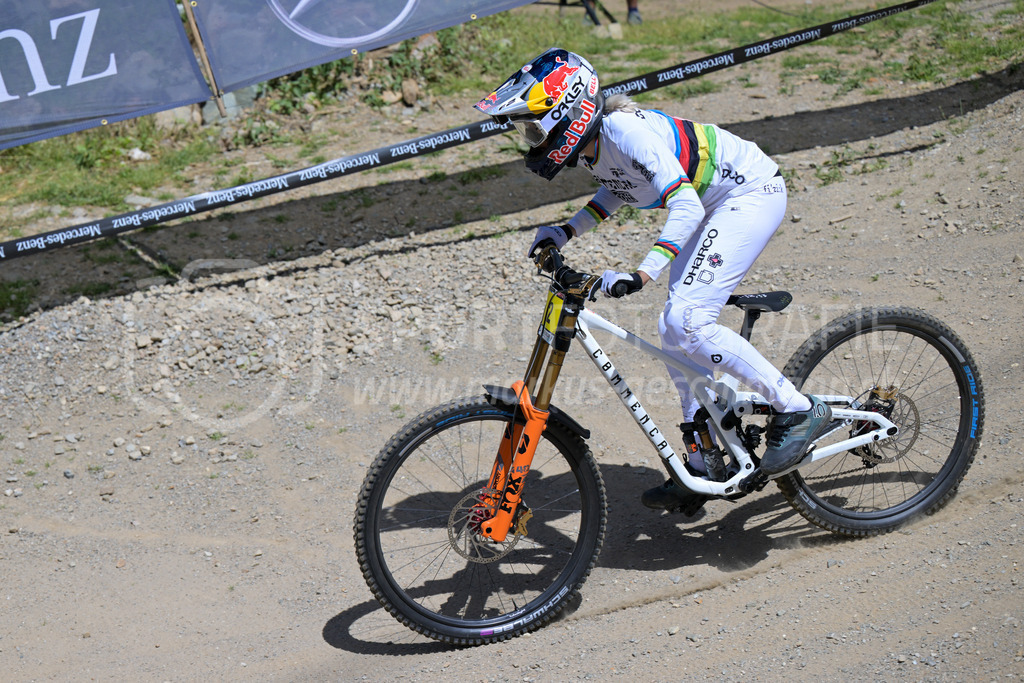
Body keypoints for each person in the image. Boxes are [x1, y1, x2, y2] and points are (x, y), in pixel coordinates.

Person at [474, 48, 833, 513]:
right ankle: (703, 459)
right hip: (710, 203)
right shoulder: (594, 142)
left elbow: (683, 204)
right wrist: (566, 230)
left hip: (746, 193)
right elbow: (619, 190)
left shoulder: (624, 129)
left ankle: (797, 410)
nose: (530, 138)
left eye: (534, 126)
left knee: (687, 321)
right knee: (672, 328)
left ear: (567, 112)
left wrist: (642, 273)